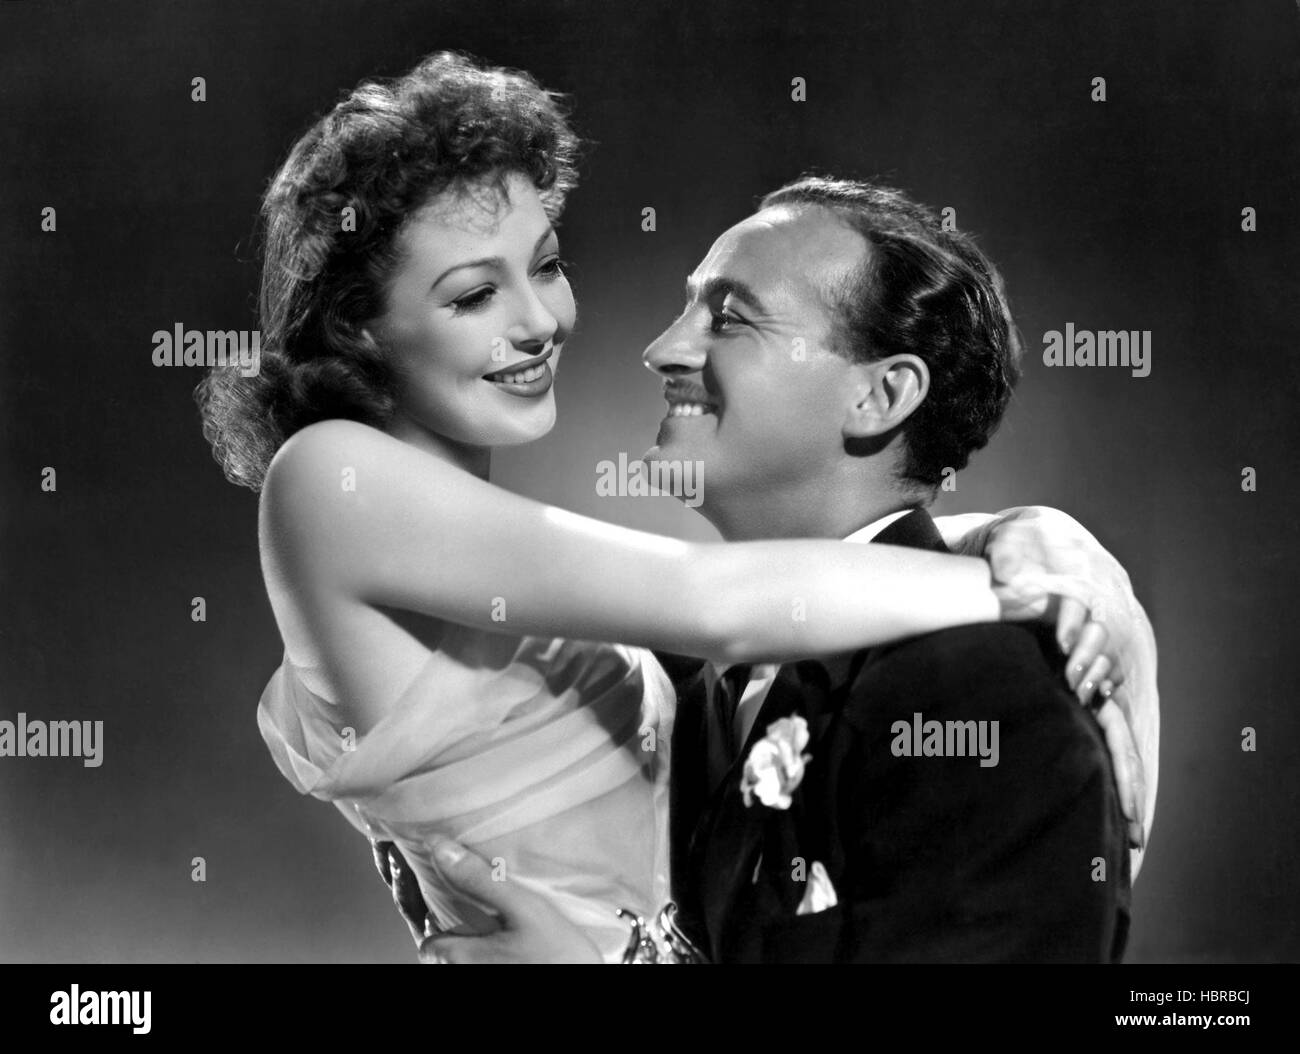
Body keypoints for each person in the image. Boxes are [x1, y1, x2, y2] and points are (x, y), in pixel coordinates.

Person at [198, 52, 1149, 963]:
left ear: (881, 394)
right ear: (360, 326)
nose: (546, 323)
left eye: (548, 266)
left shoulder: (972, 692)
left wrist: (1040, 547)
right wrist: (1029, 589)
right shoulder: (329, 480)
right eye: (476, 293)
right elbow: (712, 599)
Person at [389, 177, 1157, 963]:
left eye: (728, 317)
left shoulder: (983, 692)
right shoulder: (657, 689)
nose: (662, 350)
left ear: (881, 394)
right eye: (687, 308)